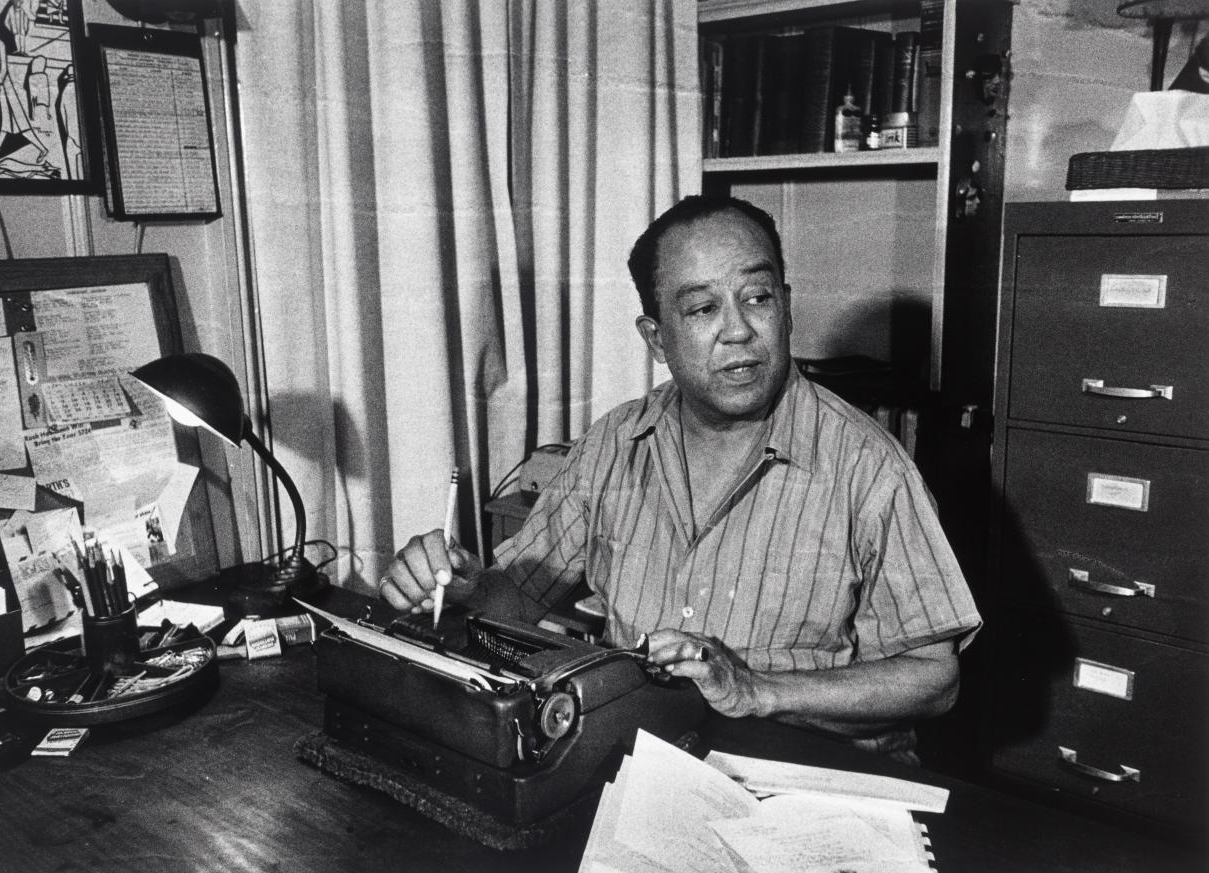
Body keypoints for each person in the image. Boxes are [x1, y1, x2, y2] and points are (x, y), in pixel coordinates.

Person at [376, 194, 981, 761]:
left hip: (806, 775)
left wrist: (757, 689)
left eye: (758, 297)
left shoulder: (868, 466)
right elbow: (517, 595)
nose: (739, 329)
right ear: (657, 338)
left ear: (786, 305)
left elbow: (934, 679)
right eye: (702, 308)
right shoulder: (615, 443)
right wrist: (459, 591)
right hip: (649, 756)